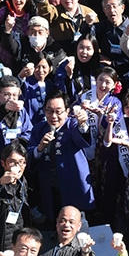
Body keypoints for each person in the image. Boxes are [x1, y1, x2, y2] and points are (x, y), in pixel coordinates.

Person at [28, 91, 94, 223]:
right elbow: (30, 156)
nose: (54, 116)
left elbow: (82, 136)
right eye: (49, 111)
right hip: (49, 187)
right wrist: (40, 148)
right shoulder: (39, 129)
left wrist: (83, 124)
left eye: (58, 111)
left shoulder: (72, 125)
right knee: (54, 221)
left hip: (72, 184)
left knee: (76, 223)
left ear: (67, 111)